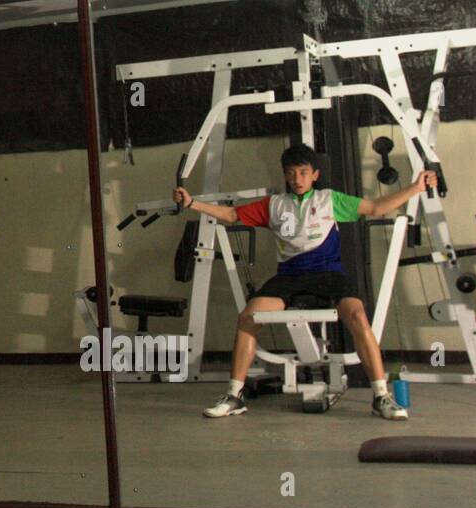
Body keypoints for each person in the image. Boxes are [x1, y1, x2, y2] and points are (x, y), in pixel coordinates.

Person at [173, 142, 433, 421]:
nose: (297, 179)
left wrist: (416, 187)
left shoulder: (329, 200)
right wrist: (191, 203)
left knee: (357, 315)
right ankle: (235, 396)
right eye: (291, 173)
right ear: (285, 175)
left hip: (329, 274)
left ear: (314, 175)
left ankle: (381, 396)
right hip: (290, 275)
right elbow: (233, 215)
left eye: (303, 172)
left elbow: (377, 207)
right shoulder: (275, 204)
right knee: (248, 316)